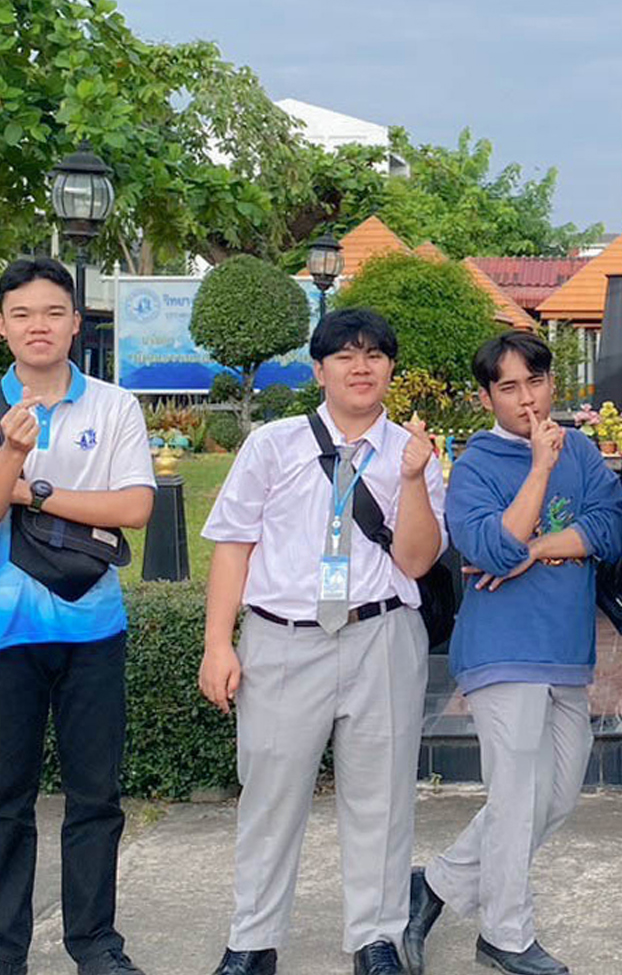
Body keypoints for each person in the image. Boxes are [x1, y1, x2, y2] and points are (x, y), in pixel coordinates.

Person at [198, 307, 449, 975]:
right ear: (319, 369)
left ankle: (376, 935)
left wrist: (417, 479)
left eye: (374, 354)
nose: (360, 365)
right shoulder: (273, 444)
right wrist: (218, 644)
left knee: (383, 795)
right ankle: (252, 940)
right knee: (270, 793)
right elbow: (233, 546)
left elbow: (420, 560)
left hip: (382, 632)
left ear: (392, 367)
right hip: (283, 639)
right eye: (344, 354)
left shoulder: (412, 451)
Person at [0, 257, 158, 975]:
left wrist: (27, 486)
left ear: (76, 322)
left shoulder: (115, 407)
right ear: (2, 324)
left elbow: (133, 508)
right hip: (0, 632)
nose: (40, 326)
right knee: (5, 796)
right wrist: (8, 449)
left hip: (92, 626)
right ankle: (1, 946)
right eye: (24, 314)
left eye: (54, 312)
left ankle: (95, 941)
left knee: (96, 794)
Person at [403, 330, 622, 975]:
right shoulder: (475, 464)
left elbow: (608, 529)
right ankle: (506, 934)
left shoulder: (581, 449)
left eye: (536, 382)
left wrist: (534, 548)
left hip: (567, 651)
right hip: (502, 651)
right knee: (516, 794)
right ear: (486, 398)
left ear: (553, 383)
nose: (526, 399)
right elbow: (488, 550)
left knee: (553, 797)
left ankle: (439, 884)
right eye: (509, 387)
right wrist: (539, 470)